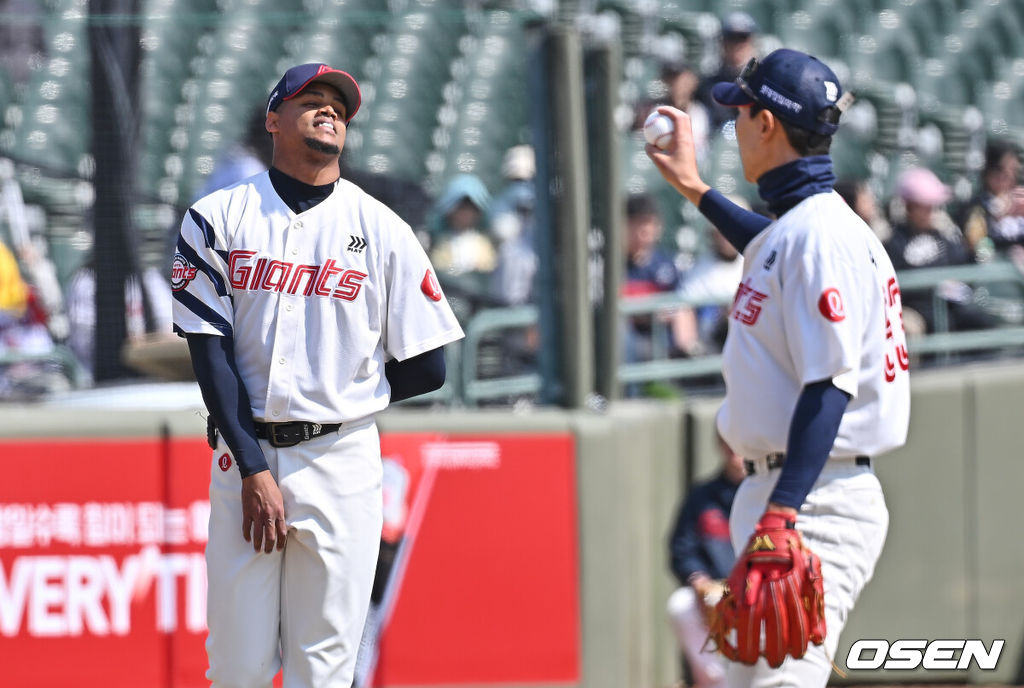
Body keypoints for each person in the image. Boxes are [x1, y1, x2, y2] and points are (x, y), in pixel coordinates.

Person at [170, 63, 465, 687]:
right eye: (312, 99)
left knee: (325, 669)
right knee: (236, 667)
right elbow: (208, 353)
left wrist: (343, 397)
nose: (330, 109)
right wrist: (252, 465)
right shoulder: (217, 217)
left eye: (339, 104)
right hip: (244, 456)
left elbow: (429, 365)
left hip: (342, 456)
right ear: (274, 119)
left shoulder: (384, 229)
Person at [647, 48, 910, 686]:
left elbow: (831, 384)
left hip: (813, 498)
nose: (733, 127)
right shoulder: (801, 230)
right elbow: (768, 244)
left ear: (767, 124)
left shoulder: (820, 237)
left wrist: (782, 512)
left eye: (741, 114)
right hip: (786, 493)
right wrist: (695, 189)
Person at [666, 434, 746, 688]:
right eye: (729, 442)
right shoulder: (702, 497)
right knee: (681, 605)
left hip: (760, 592)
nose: (735, 451)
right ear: (720, 445)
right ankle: (717, 684)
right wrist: (698, 580)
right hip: (716, 593)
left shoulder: (773, 495)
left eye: (741, 443)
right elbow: (681, 549)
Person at [884, 167, 994, 334]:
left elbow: (961, 264)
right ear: (910, 207)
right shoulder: (896, 241)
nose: (931, 212)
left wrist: (971, 250)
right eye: (925, 207)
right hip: (919, 308)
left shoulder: (942, 234)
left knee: (980, 321)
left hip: (950, 305)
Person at [672, 212, 746, 357]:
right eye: (722, 231)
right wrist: (690, 346)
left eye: (733, 229)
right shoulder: (699, 270)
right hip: (711, 341)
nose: (727, 237)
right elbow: (682, 309)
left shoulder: (754, 260)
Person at [622, 192, 682, 369]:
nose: (644, 230)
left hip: (662, 336)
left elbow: (679, 306)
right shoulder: (611, 263)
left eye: (649, 223)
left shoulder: (666, 263)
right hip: (629, 339)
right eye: (637, 223)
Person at [959, 139, 1024, 263]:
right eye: (1002, 170)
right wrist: (998, 216)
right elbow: (977, 248)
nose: (1009, 176)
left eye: (1014, 170)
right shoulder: (975, 208)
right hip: (994, 273)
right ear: (989, 172)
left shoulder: (1020, 201)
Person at [634, 61, 712, 165]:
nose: (676, 83)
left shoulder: (701, 112)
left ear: (692, 80)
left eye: (680, 78)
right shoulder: (655, 113)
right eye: (670, 78)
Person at [696, 12, 761, 131]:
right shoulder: (707, 86)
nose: (736, 45)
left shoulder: (762, 83)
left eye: (742, 38)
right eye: (731, 38)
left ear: (752, 41)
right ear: (722, 42)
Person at [835, 177, 892, 242]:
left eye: (870, 198)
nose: (872, 203)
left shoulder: (876, 232)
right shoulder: (849, 239)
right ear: (850, 205)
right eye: (865, 201)